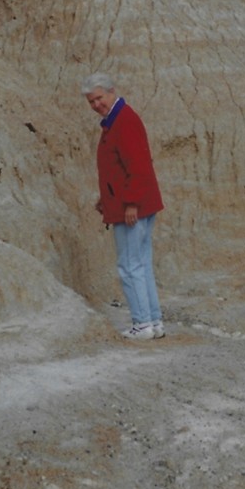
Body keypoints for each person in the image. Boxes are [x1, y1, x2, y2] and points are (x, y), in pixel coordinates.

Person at [82, 73, 165, 340]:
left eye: (99, 98)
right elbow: (119, 170)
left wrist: (130, 203)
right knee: (141, 264)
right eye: (91, 101)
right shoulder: (117, 120)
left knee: (129, 266)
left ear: (111, 92)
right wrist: (106, 199)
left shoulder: (124, 121)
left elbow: (138, 166)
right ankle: (154, 322)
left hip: (133, 207)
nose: (96, 104)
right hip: (135, 203)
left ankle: (142, 324)